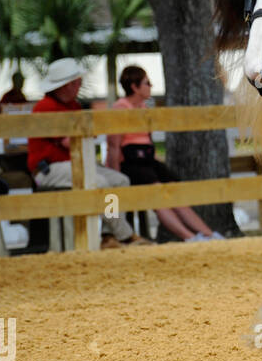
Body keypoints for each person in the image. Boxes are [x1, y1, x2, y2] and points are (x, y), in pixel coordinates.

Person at [27, 58, 149, 248]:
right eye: (76, 82)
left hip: (75, 165)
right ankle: (125, 235)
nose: (79, 85)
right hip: (49, 169)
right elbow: (71, 142)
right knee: (99, 182)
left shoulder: (72, 106)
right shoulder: (45, 107)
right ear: (66, 85)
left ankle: (109, 236)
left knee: (120, 181)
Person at [105, 65, 221, 242]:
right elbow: (113, 145)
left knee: (173, 190)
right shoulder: (121, 108)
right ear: (135, 87)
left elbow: (148, 139)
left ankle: (208, 234)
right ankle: (189, 237)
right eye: (147, 83)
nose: (150, 87)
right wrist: (114, 174)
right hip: (130, 163)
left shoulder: (143, 108)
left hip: (146, 160)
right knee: (158, 193)